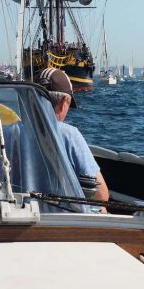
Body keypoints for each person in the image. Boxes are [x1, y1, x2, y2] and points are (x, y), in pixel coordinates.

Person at [36, 67, 110, 205]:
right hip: (58, 219)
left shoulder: (11, 131)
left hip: (19, 217)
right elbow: (101, 194)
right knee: (102, 208)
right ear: (64, 103)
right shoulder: (69, 135)